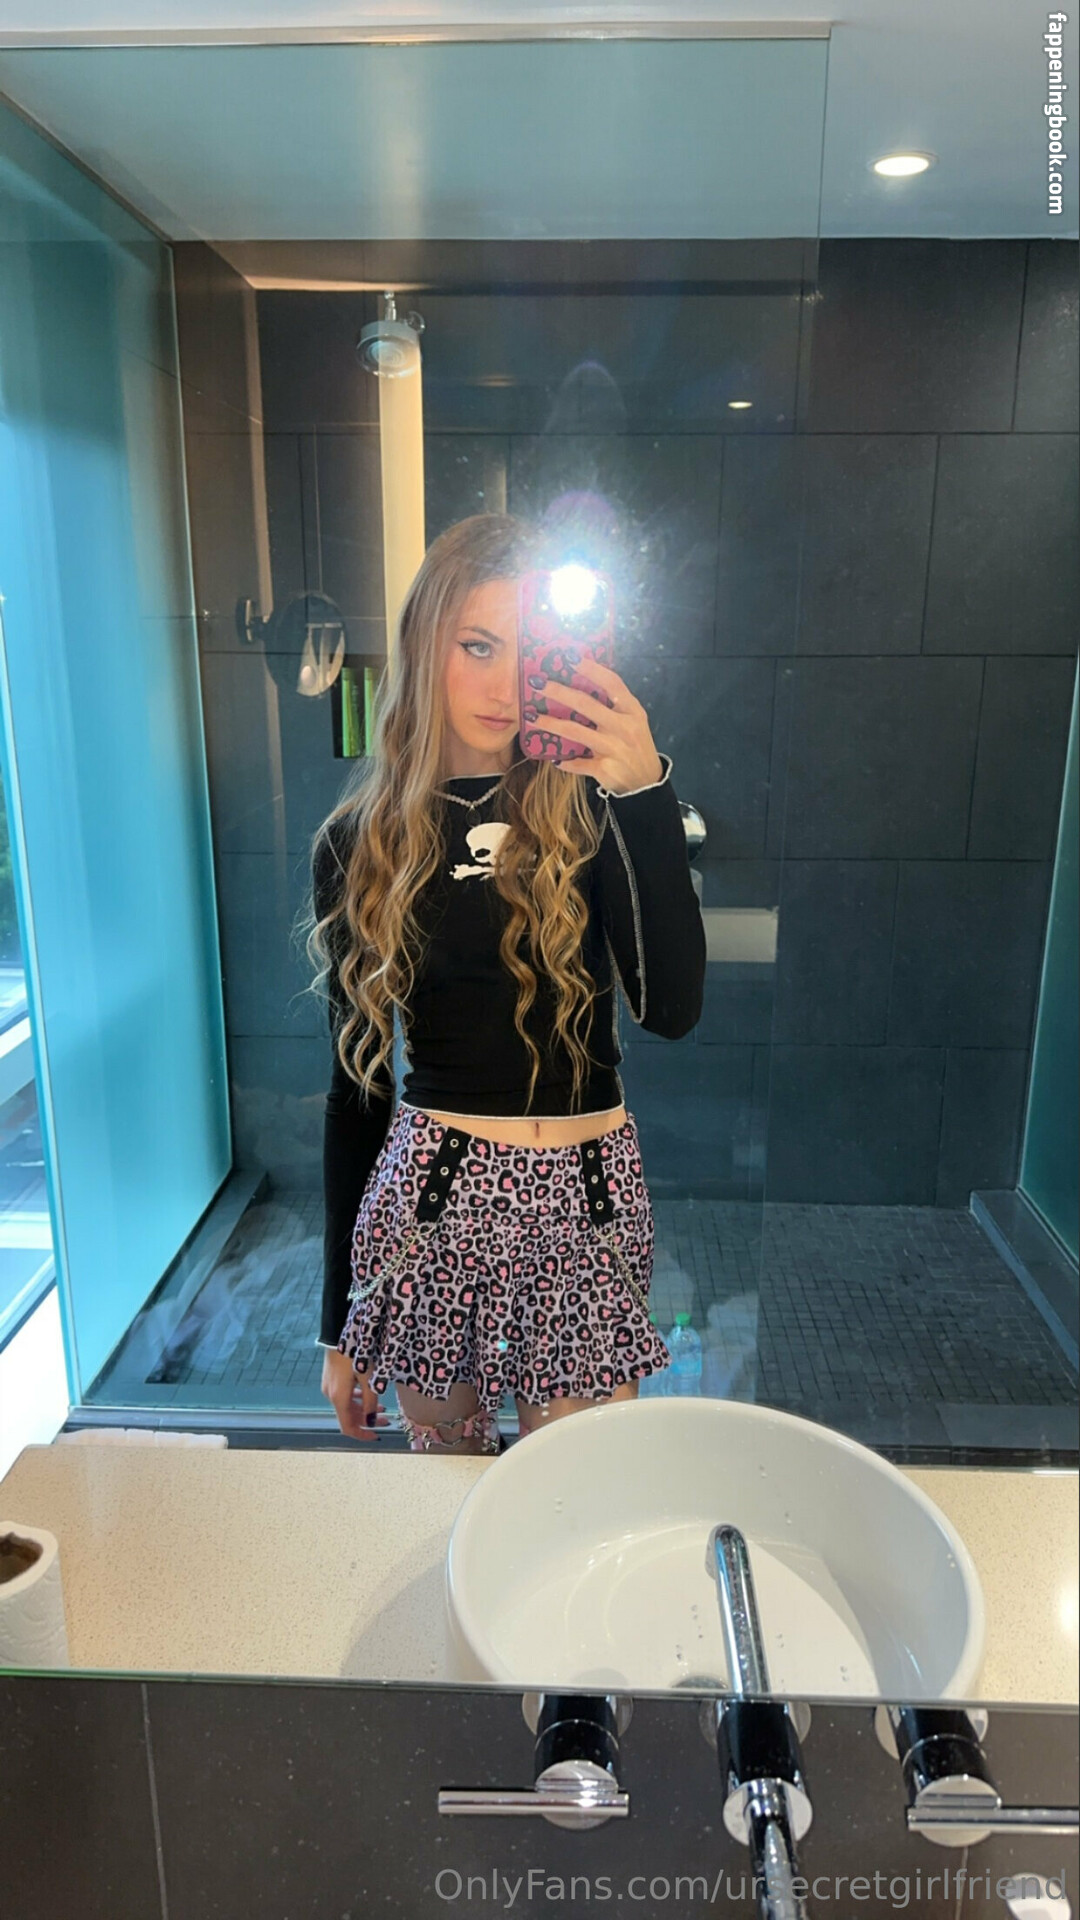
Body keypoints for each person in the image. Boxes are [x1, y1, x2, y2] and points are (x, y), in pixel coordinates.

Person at [306, 513, 706, 1453]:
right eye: (476, 645)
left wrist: (644, 792)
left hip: (585, 1199)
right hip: (433, 1204)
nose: (501, 684)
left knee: (575, 1500)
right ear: (425, 644)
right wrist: (339, 1321)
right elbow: (356, 1090)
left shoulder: (591, 807)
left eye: (527, 653)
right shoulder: (360, 842)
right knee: (450, 1497)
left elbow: (673, 1011)